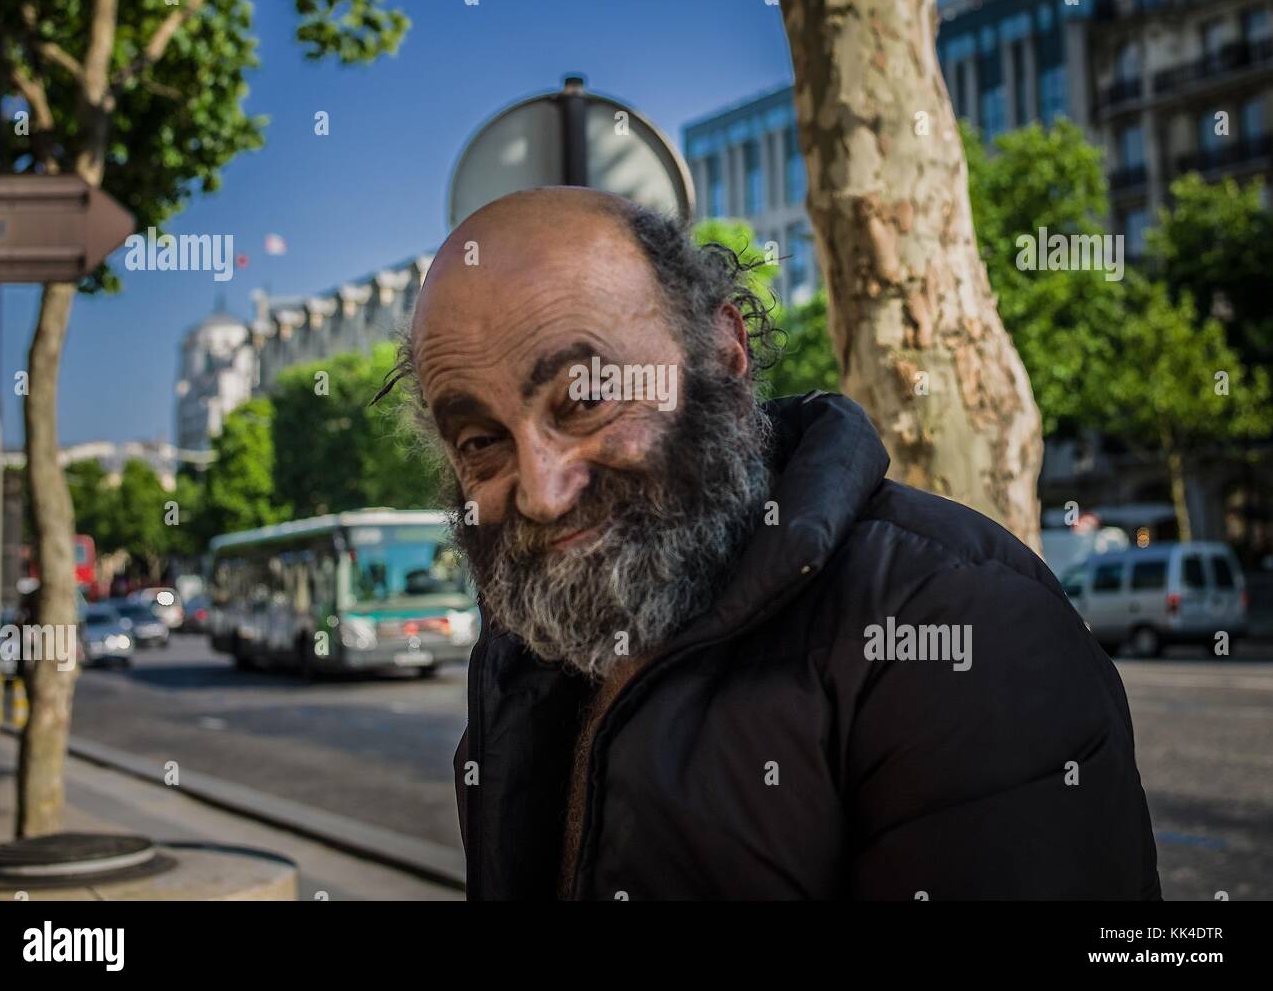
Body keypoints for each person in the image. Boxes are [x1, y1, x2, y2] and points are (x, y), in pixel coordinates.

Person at [389, 186, 1161, 901]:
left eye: (585, 398)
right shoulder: (528, 648)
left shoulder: (967, 625)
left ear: (722, 353)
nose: (543, 489)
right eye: (482, 441)